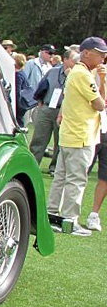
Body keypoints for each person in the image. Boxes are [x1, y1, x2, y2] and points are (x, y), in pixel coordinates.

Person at [47, 36, 107, 236]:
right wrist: (103, 82)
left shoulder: (76, 72)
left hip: (70, 134)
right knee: (76, 180)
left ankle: (52, 214)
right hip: (81, 135)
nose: (102, 59)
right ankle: (70, 221)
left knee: (61, 177)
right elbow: (99, 104)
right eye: (99, 54)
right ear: (87, 52)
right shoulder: (83, 74)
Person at [30, 50, 75, 173]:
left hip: (63, 110)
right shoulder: (53, 71)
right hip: (47, 107)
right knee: (39, 138)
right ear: (65, 60)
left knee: (59, 142)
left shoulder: (77, 75)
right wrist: (40, 103)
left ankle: (54, 168)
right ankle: (33, 165)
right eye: (73, 59)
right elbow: (42, 87)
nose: (75, 62)